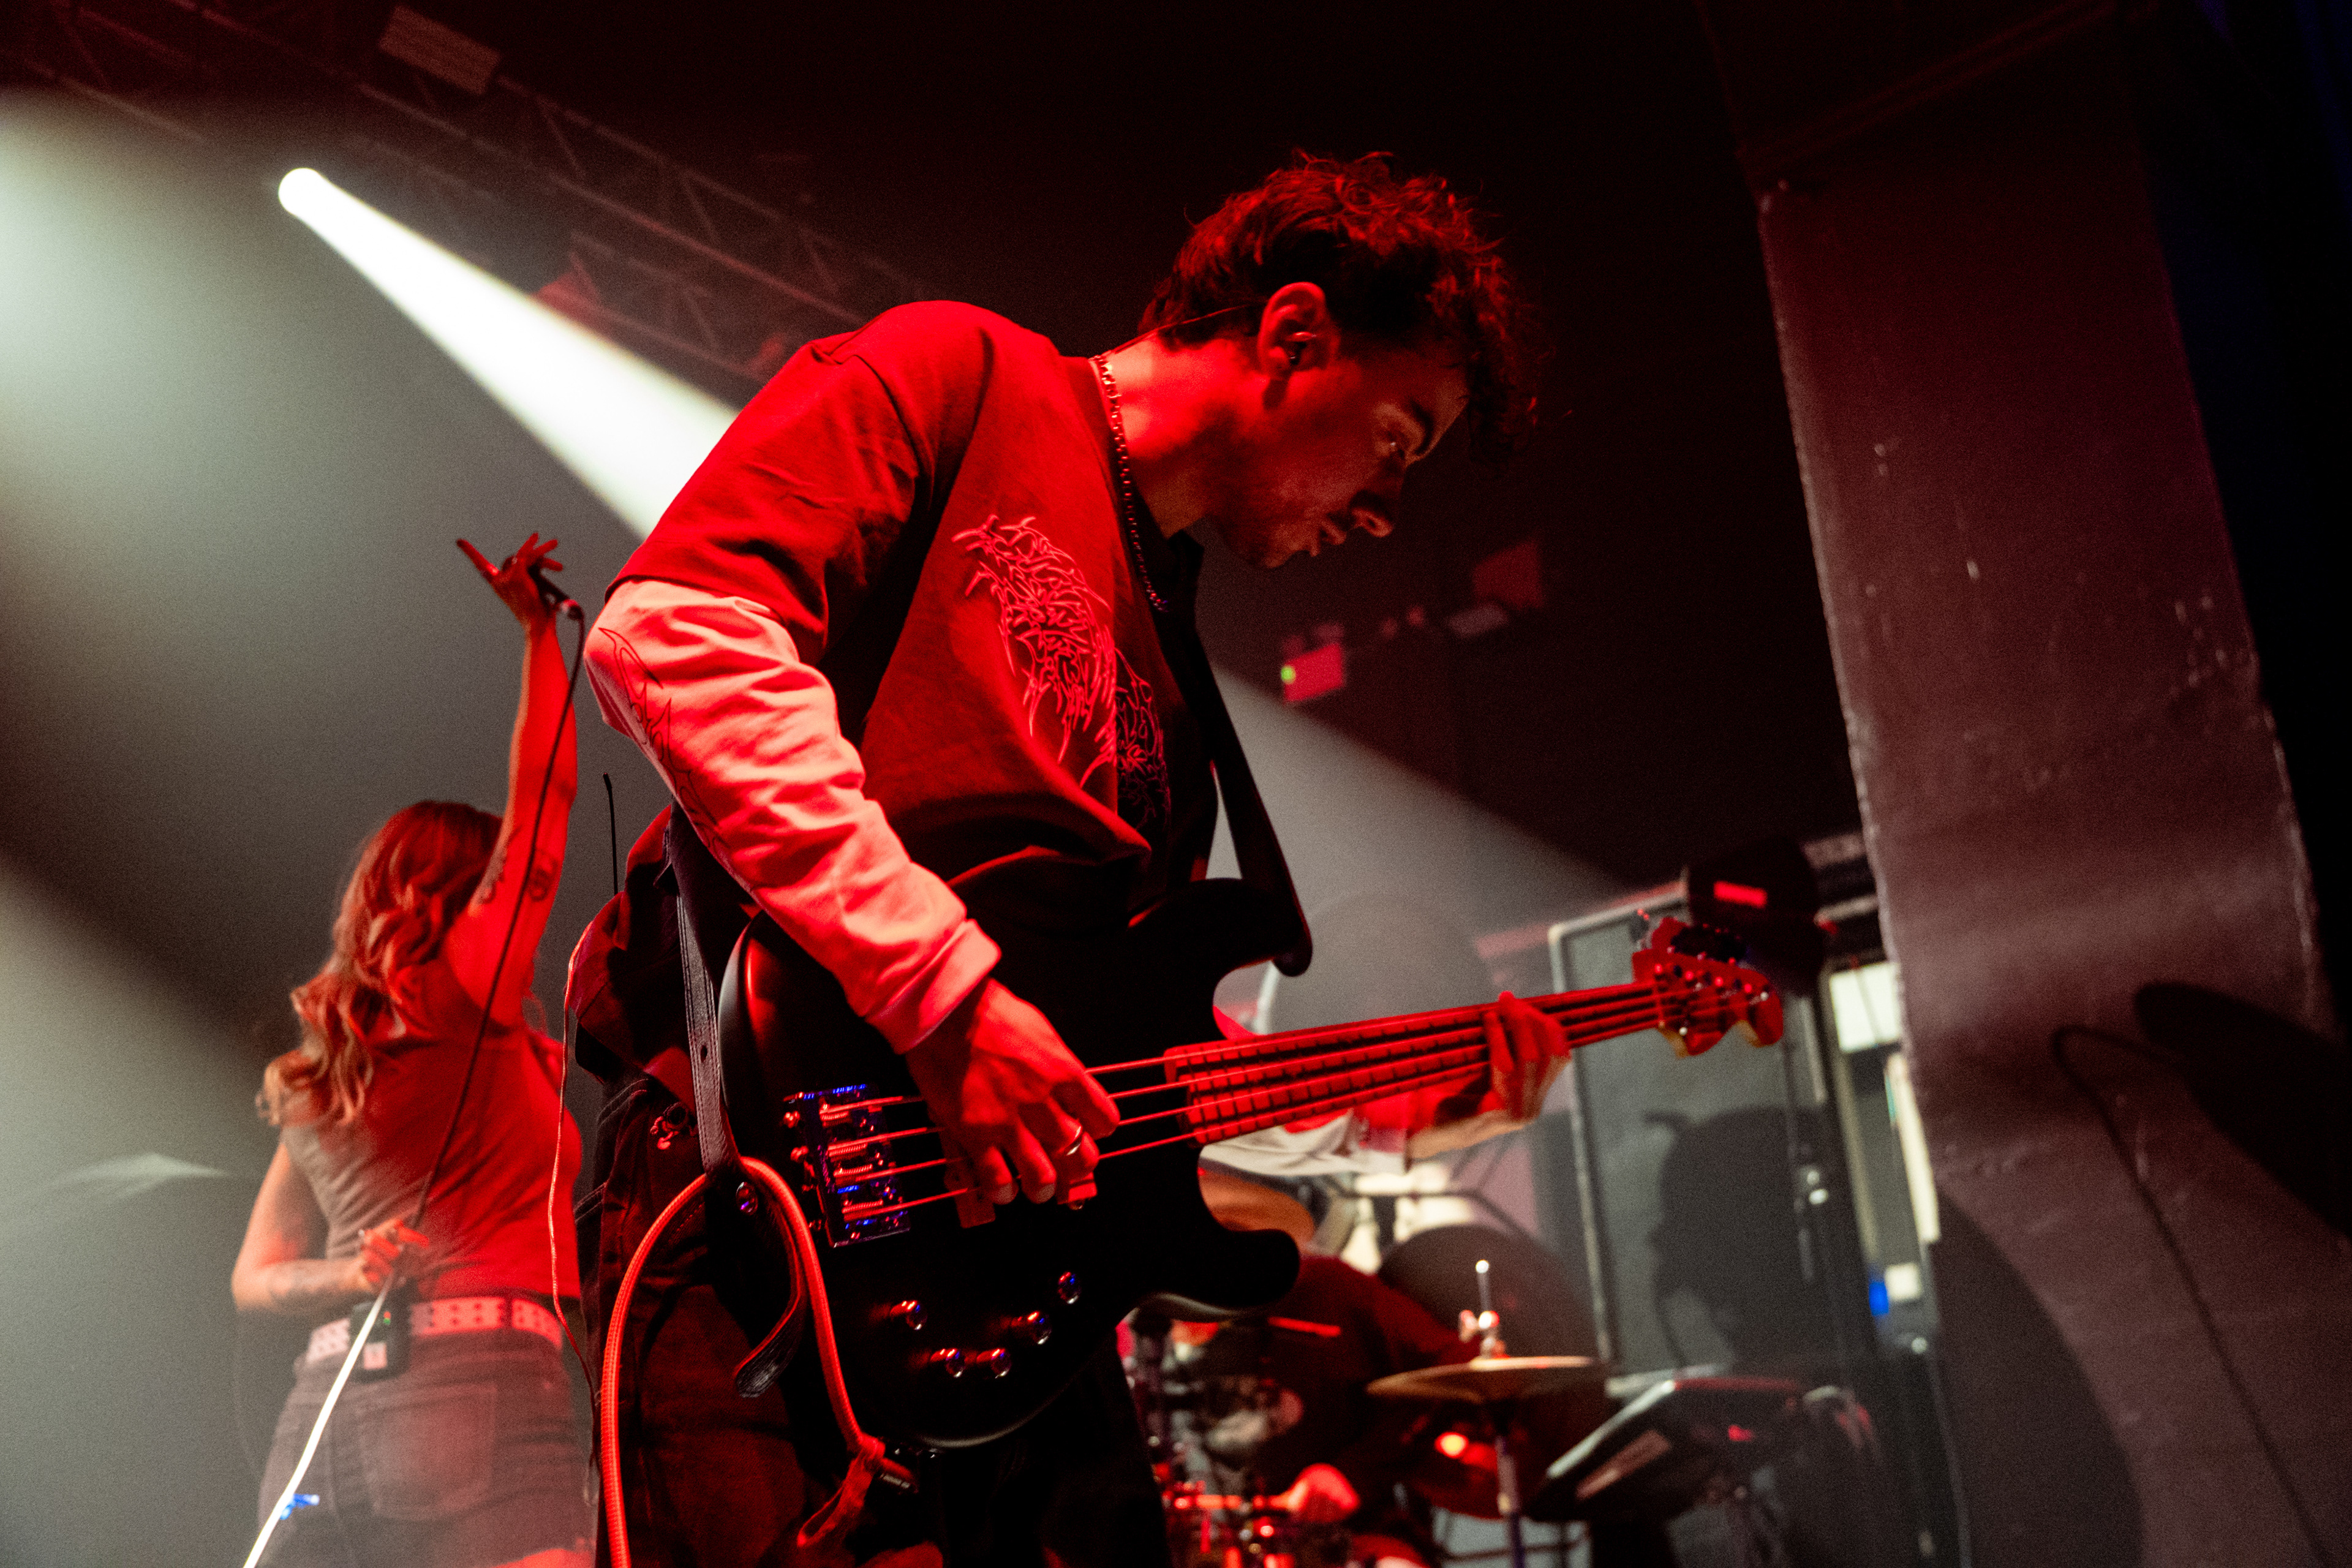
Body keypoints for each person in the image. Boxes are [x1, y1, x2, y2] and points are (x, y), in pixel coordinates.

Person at [567, 153, 1559, 1567]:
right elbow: (676, 636)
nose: (1388, 502)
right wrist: (947, 999)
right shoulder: (961, 374)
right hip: (763, 1209)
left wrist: (1381, 1111)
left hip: (1001, 1295)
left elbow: (1107, 1063)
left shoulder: (1174, 661)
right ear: (1294, 333)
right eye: (1398, 436)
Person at [232, 535, 589, 1568]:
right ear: (464, 897)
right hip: (476, 1396)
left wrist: (352, 1275)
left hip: (321, 1421)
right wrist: (539, 638)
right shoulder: (464, 989)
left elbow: (258, 1276)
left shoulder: (325, 1066)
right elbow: (546, 805)